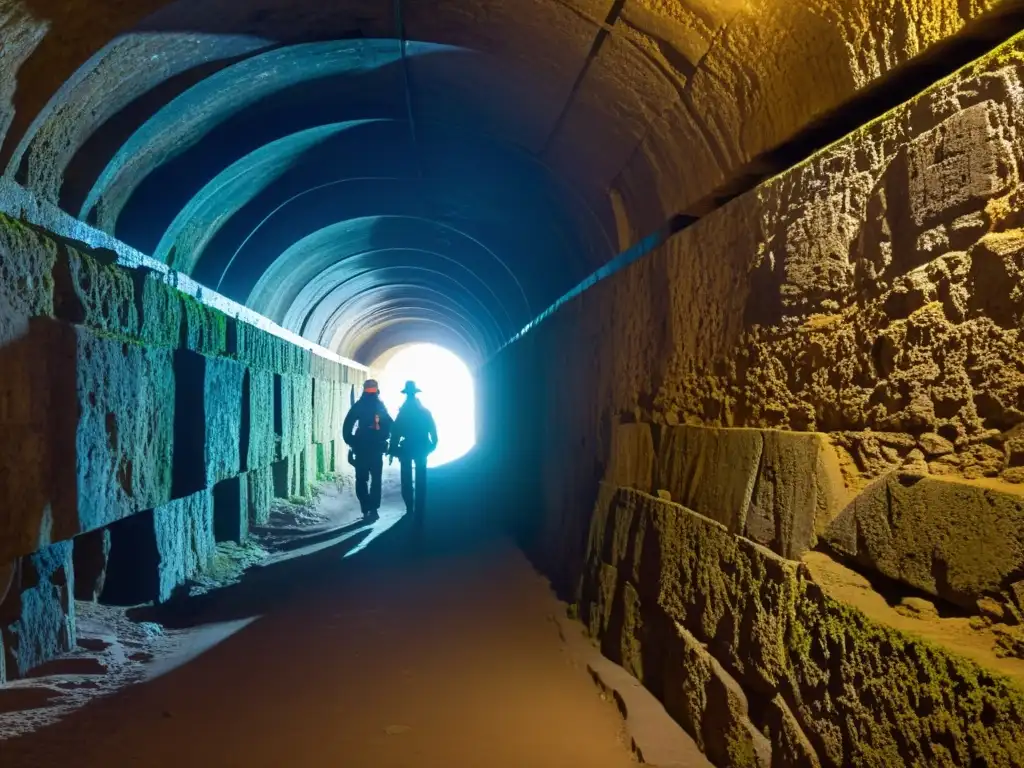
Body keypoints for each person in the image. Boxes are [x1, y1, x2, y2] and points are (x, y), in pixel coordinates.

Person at [342, 379, 393, 521]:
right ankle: (374, 508)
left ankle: (366, 508)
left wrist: (352, 441)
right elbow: (389, 425)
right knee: (376, 479)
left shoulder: (359, 405)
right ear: (377, 390)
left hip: (362, 449)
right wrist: (386, 439)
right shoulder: (380, 406)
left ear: (364, 390)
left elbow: (347, 426)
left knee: (361, 479)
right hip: (376, 448)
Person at [388, 380, 438, 523]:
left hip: (407, 446)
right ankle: (419, 507)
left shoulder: (403, 412)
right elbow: (433, 431)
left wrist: (393, 449)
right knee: (421, 477)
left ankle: (410, 507)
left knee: (406, 478)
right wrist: (432, 446)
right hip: (421, 446)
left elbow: (396, 432)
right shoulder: (424, 411)